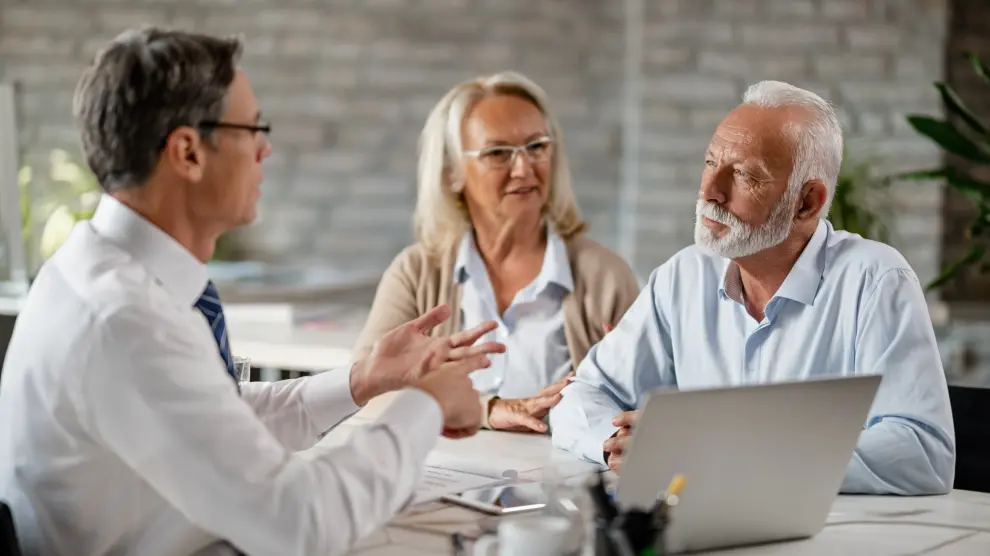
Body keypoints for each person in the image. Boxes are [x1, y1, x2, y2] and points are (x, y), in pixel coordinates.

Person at [0, 28, 506, 556]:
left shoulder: (92, 271)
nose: (266, 148)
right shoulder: (127, 319)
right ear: (188, 152)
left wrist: (364, 379)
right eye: (253, 128)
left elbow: (221, 420)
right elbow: (301, 524)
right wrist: (426, 405)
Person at [550, 80, 956, 496]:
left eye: (743, 175)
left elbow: (923, 453)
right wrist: (618, 448)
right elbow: (584, 396)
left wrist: (725, 454)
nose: (709, 192)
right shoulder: (683, 276)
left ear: (807, 203)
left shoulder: (876, 281)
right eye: (710, 163)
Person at [353, 71, 640, 433]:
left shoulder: (606, 277)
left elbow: (644, 405)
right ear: (452, 173)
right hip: (443, 483)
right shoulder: (416, 272)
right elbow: (364, 389)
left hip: (558, 485)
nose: (523, 169)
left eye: (536, 147)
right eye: (498, 153)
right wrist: (486, 409)